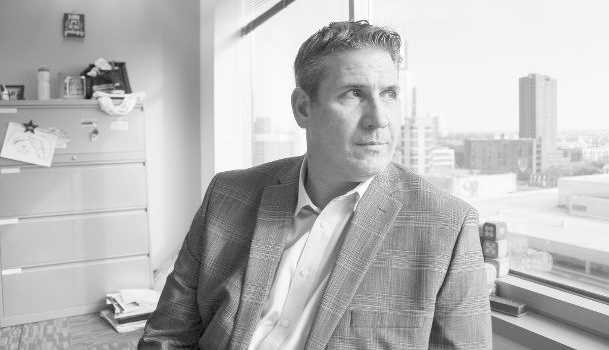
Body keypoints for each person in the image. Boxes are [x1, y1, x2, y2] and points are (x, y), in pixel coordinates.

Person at [139, 20, 492, 349]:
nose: (379, 119)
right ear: (304, 108)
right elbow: (168, 334)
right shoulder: (228, 196)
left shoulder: (447, 226)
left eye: (389, 94)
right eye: (354, 94)